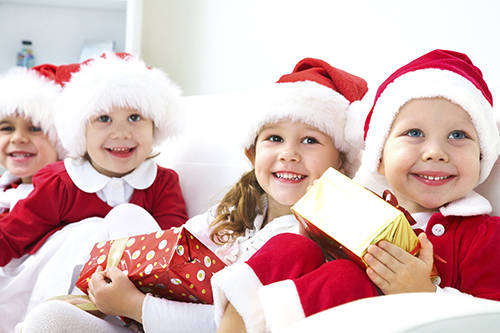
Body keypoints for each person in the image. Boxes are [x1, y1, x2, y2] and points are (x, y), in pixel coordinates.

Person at [20, 57, 368, 332]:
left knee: (46, 321)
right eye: (274, 139)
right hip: (151, 310)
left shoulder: (311, 244)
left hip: (178, 321)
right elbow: (181, 249)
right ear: (252, 153)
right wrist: (122, 285)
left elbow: (230, 325)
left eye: (310, 140)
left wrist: (134, 306)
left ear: (342, 159)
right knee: (122, 218)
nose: (288, 154)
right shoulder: (238, 209)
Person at [212, 49, 500, 333]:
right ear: (380, 157)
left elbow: (491, 318)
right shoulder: (361, 205)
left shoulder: (484, 235)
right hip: (314, 314)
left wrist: (425, 293)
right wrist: (316, 227)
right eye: (414, 133)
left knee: (346, 278)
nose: (435, 152)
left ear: (482, 157)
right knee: (291, 246)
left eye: (458, 135)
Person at [0, 53, 189, 332]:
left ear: (155, 127)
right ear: (81, 131)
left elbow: (173, 245)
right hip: (62, 289)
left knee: (135, 229)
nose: (122, 132)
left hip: (129, 294)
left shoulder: (161, 182)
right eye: (104, 118)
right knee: (89, 230)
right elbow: (14, 232)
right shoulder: (61, 182)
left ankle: (133, 319)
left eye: (135, 117)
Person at [0, 65, 65, 218]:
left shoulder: (64, 202)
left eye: (35, 129)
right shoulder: (6, 186)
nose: (17, 138)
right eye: (7, 128)